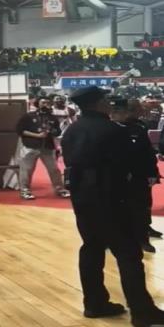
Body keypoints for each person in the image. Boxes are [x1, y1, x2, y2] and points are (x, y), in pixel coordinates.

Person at [62, 86, 164, 327]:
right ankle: (142, 310)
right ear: (98, 103)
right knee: (129, 254)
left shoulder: (72, 130)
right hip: (112, 199)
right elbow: (130, 165)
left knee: (91, 249)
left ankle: (94, 303)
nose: (109, 103)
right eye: (105, 99)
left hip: (83, 199)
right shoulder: (113, 131)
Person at [110, 98, 160, 253]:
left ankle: (143, 238)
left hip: (139, 175)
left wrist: (153, 172)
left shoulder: (139, 127)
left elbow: (148, 152)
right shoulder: (108, 129)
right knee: (115, 208)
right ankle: (112, 238)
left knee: (142, 207)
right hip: (117, 176)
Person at [15, 96, 70, 200]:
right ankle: (25, 191)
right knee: (26, 170)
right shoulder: (28, 116)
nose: (46, 104)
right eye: (43, 102)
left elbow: (58, 131)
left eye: (48, 103)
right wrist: (37, 135)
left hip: (47, 147)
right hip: (30, 146)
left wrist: (52, 131)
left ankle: (60, 189)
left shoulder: (52, 118)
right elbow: (20, 130)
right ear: (38, 103)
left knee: (54, 169)